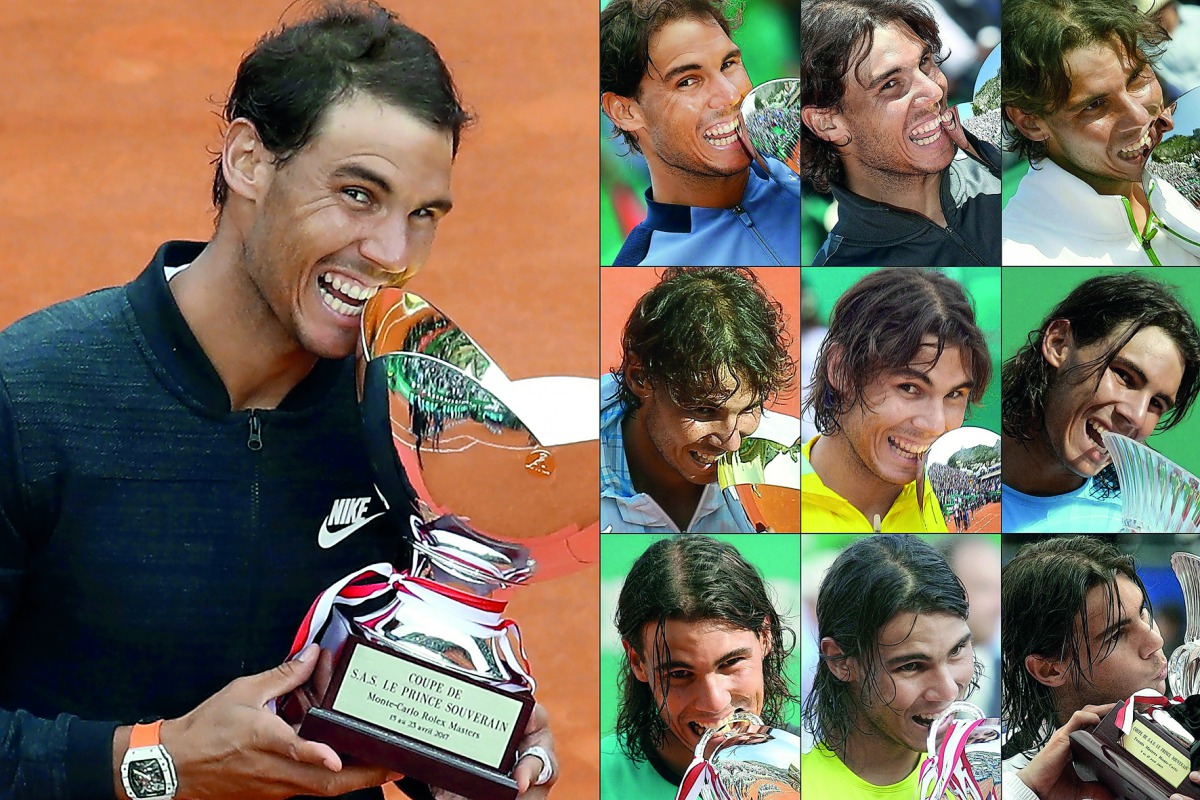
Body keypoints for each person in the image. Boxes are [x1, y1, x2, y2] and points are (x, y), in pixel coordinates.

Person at [0, 4, 559, 799]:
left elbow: (399, 688)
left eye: (422, 214)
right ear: (249, 162)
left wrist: (473, 744)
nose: (393, 254)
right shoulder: (29, 396)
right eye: (358, 193)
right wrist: (157, 763)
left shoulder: (414, 424)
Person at [800, 0, 1002, 267]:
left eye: (925, 62)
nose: (935, 91)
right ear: (828, 123)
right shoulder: (844, 266)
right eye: (890, 84)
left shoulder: (1004, 168)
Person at [599, 0, 801, 266]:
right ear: (624, 111)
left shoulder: (814, 177)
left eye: (728, 64)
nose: (730, 95)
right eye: (687, 81)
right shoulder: (642, 265)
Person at [1000, 536, 1200, 800]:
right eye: (1116, 634)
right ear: (1049, 670)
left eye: (1143, 613)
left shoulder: (1190, 728)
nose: (1156, 641)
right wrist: (1027, 792)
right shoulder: (1002, 778)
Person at [1001, 0, 1200, 266]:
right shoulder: (1019, 256)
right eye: (1094, 105)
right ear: (1031, 123)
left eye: (1137, 79)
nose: (1140, 117)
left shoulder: (1175, 180)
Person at [600, 267, 796, 533]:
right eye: (705, 410)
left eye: (749, 409)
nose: (732, 443)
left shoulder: (794, 466)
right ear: (640, 378)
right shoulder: (564, 461)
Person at [601, 535, 798, 798]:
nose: (715, 703)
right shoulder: (597, 777)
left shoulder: (813, 766)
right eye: (680, 674)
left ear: (764, 637)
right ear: (638, 662)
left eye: (731, 663)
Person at [1001, 272, 1200, 533]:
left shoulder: (1144, 525)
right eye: (1124, 376)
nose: (1137, 417)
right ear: (1059, 343)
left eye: (1156, 404)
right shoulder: (958, 441)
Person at [800, 268, 991, 532]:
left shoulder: (970, 511)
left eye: (954, 394)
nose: (935, 425)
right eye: (909, 388)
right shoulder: (768, 491)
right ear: (840, 370)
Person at [801, 534, 986, 799]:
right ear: (840, 661)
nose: (948, 691)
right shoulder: (790, 785)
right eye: (911, 666)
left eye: (956, 651)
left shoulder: (987, 777)